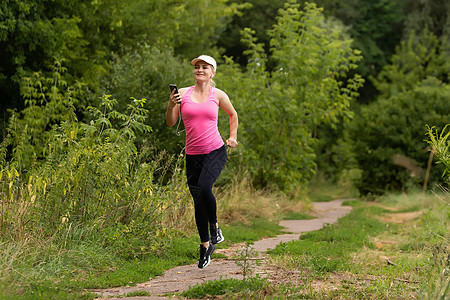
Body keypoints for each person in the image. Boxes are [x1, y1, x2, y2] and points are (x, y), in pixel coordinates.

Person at [165, 55, 239, 269]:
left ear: (212, 72)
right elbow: (171, 123)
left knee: (205, 188)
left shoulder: (218, 95)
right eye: (197, 67)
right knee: (198, 200)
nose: (200, 70)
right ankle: (205, 247)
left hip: (215, 150)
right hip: (192, 154)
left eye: (204, 67)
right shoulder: (181, 94)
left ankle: (215, 227)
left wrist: (232, 137)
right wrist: (170, 106)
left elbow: (233, 115)